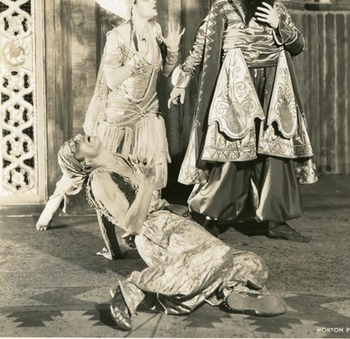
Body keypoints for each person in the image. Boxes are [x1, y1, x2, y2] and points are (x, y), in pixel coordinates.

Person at [168, 0, 318, 242]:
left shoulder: (277, 9)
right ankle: (213, 213)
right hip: (234, 84)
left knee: (274, 151)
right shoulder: (224, 7)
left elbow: (299, 46)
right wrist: (183, 77)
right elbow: (203, 44)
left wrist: (280, 27)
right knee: (231, 148)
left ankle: (276, 217)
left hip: (273, 83)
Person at [57, 133, 287, 331]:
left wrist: (114, 250)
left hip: (173, 222)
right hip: (154, 233)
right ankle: (134, 290)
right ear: (85, 164)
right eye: (75, 145)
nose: (78, 137)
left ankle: (225, 293)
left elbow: (109, 214)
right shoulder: (99, 179)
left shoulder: (121, 159)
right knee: (219, 254)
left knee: (252, 263)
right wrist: (147, 183)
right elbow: (132, 226)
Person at [36, 0, 184, 254]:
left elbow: (163, 73)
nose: (153, 1)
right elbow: (113, 80)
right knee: (94, 172)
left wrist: (173, 50)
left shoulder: (155, 29)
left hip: (148, 112)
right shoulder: (116, 37)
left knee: (149, 174)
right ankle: (68, 213)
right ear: (132, 6)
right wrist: (135, 61)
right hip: (118, 115)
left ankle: (150, 236)